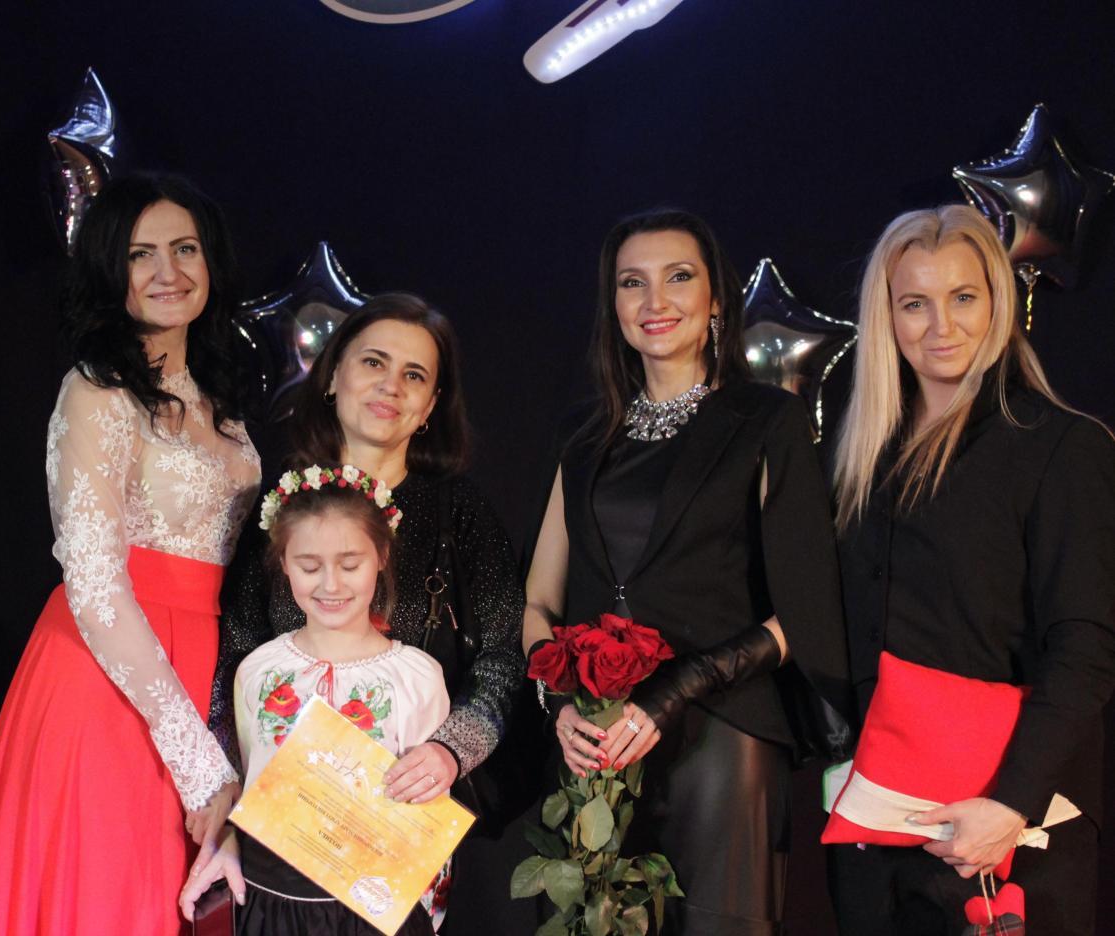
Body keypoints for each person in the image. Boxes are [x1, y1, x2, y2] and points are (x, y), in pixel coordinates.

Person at [522, 208, 852, 935]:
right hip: (596, 743)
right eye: (631, 282)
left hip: (722, 735)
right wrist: (560, 705)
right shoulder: (583, 435)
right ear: (613, 305)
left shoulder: (767, 420)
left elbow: (807, 609)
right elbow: (540, 600)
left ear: (715, 299)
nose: (654, 300)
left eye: (678, 277)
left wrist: (675, 691)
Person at [0, 175, 260, 935]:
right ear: (109, 270)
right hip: (109, 681)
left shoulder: (219, 399)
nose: (168, 271)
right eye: (140, 254)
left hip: (205, 670)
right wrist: (194, 758)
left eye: (185, 248)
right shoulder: (96, 392)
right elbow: (95, 584)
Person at [828, 204, 1115, 935]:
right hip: (879, 836)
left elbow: (1085, 647)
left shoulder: (1061, 447)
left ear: (998, 303)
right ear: (886, 316)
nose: (941, 326)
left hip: (1007, 836)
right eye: (914, 303)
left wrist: (1011, 804)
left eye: (963, 297)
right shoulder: (861, 462)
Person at [210, 293, 526, 930]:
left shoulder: (461, 514)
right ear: (332, 377)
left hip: (398, 826)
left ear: (431, 405)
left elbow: (502, 655)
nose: (391, 386)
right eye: (374, 363)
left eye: (415, 375)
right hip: (282, 853)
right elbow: (235, 658)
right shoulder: (283, 507)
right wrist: (227, 808)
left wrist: (450, 752)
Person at [180, 465, 450, 933]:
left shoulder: (415, 678)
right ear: (284, 562)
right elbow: (250, 782)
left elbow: (427, 819)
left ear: (382, 555)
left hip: (371, 912)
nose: (331, 585)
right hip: (274, 907)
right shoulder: (259, 672)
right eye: (309, 566)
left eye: (350, 565)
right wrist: (230, 840)